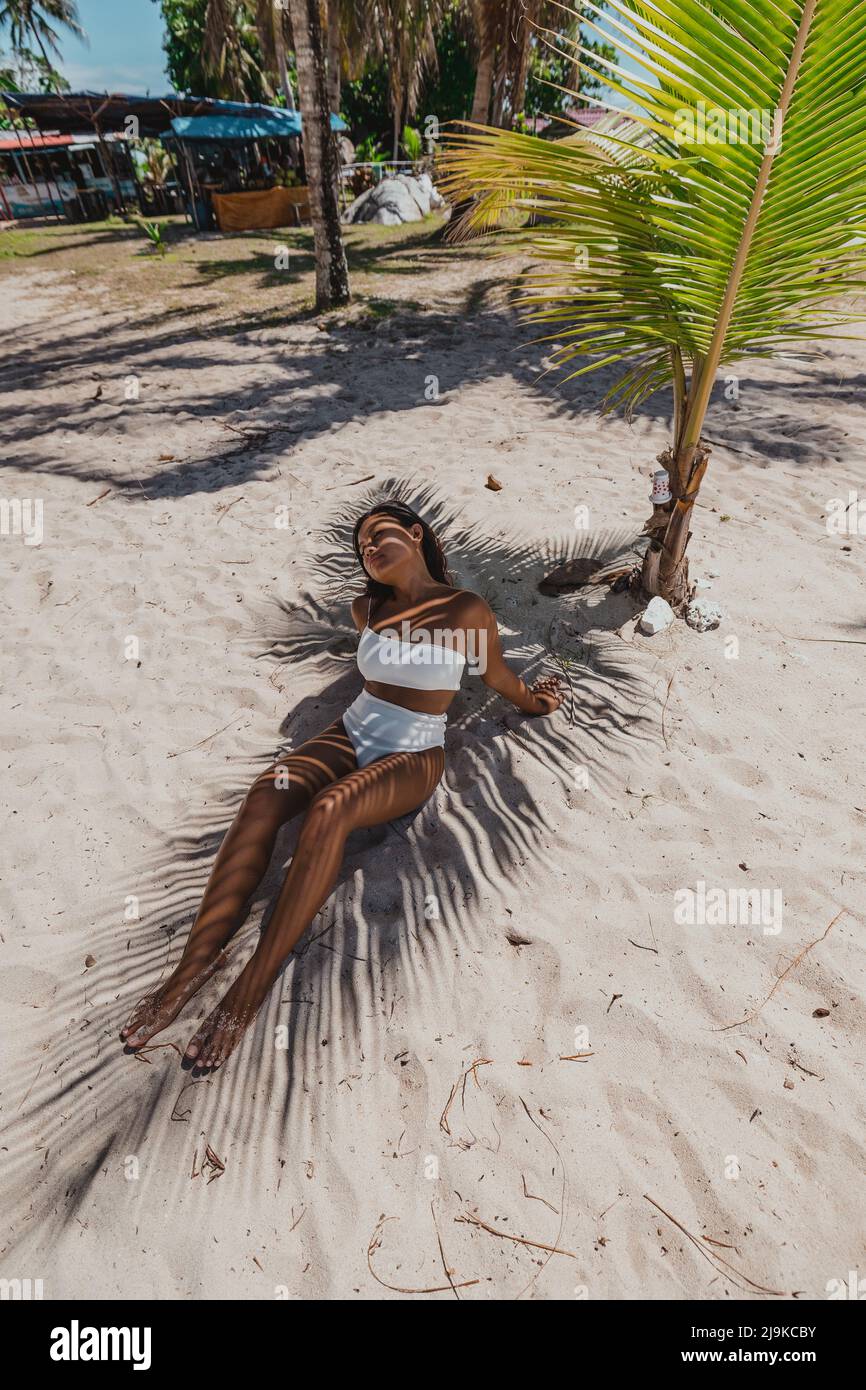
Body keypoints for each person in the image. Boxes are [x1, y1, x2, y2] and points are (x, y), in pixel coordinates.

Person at [120, 502, 563, 1069]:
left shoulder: (464, 610)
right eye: (361, 549)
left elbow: (498, 678)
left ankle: (250, 985)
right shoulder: (366, 608)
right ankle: (190, 968)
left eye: (378, 536)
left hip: (414, 752)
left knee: (330, 810)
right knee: (265, 794)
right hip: (351, 731)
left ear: (416, 534)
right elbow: (377, 677)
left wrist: (538, 700)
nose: (369, 550)